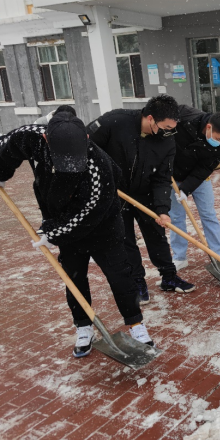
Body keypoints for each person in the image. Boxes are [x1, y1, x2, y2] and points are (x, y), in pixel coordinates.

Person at [0, 111, 153, 357]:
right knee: (73, 278)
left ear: (85, 138)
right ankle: (83, 327)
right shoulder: (32, 138)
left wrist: (52, 234)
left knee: (120, 276)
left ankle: (135, 324)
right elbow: (6, 146)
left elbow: (87, 215)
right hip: (61, 219)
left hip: (102, 226)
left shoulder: (99, 168)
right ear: (46, 139)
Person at [87, 95, 195, 305]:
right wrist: (101, 179)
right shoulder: (114, 122)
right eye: (166, 127)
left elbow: (163, 177)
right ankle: (137, 281)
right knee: (125, 239)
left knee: (157, 235)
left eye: (173, 128)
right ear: (151, 118)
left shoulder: (166, 140)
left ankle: (168, 276)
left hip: (145, 193)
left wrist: (163, 209)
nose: (169, 132)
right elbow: (86, 147)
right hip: (115, 194)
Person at [169, 106, 220, 268]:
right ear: (209, 127)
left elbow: (205, 167)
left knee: (208, 214)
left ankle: (218, 256)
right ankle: (179, 257)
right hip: (173, 175)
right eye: (218, 139)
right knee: (176, 217)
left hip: (199, 178)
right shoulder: (185, 119)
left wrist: (186, 188)